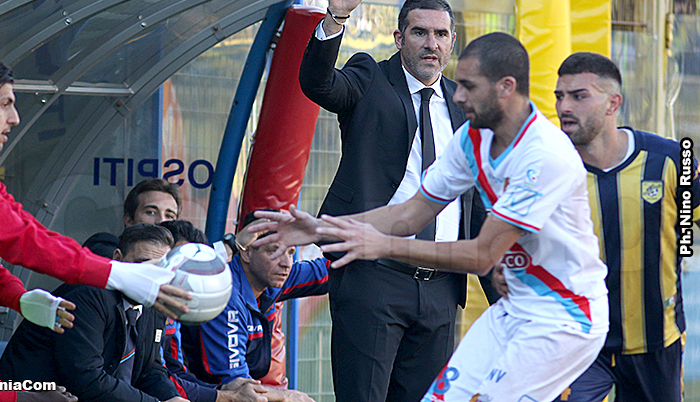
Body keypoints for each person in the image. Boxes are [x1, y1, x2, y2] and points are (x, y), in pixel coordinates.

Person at [256, 32, 609, 402]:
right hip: (516, 306)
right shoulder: (472, 138)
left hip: (566, 316)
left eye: (469, 86)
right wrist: (320, 228)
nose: (457, 96)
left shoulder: (545, 156)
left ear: (506, 87)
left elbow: (482, 255)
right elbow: (411, 213)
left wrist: (383, 246)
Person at [0, 53, 191, 402]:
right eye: (5, 103)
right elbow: (19, 238)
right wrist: (116, 274)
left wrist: (20, 298)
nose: (15, 117)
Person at [296, 0, 496, 402]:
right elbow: (319, 84)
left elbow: (475, 202)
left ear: (452, 42)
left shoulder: (465, 106)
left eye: (440, 35)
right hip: (374, 278)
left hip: (442, 286)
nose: (431, 44)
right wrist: (336, 18)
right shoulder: (370, 77)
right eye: (420, 33)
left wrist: (502, 296)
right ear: (399, 38)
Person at [548, 53, 699, 401]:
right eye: (560, 96)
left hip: (655, 344)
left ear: (613, 103)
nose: (564, 106)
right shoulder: (549, 169)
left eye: (579, 96)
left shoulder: (672, 161)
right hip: (578, 345)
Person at [0, 224, 189, 402]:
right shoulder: (89, 296)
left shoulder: (153, 300)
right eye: (141, 265)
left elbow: (150, 369)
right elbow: (87, 380)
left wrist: (171, 397)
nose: (149, 277)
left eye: (158, 270)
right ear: (117, 258)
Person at [182, 211, 329, 402]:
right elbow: (239, 388)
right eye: (274, 251)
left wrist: (327, 232)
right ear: (246, 252)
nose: (286, 263)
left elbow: (331, 270)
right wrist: (286, 396)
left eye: (291, 253)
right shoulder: (226, 298)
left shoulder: (271, 275)